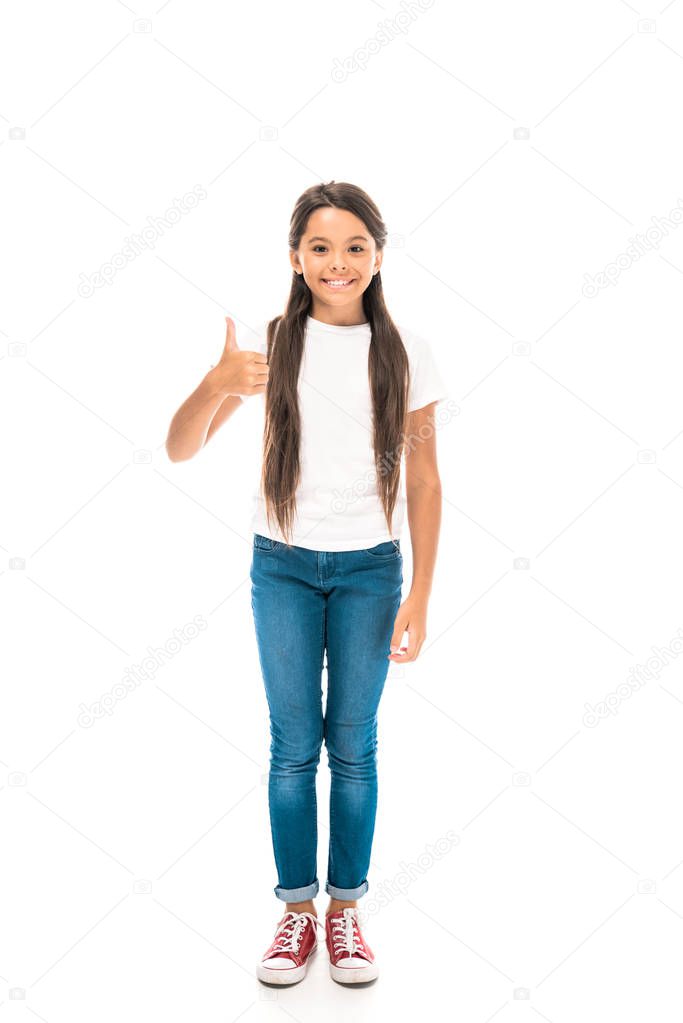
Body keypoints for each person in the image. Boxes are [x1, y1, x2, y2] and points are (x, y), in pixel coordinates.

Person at [165, 180, 448, 985]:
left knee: (352, 747)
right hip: (281, 566)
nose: (337, 262)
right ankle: (295, 917)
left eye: (355, 246)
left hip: (370, 570)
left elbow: (424, 480)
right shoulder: (267, 343)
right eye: (319, 247)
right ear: (295, 257)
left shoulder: (405, 349)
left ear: (378, 256)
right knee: (293, 747)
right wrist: (218, 382)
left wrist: (420, 593)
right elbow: (180, 447)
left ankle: (345, 913)